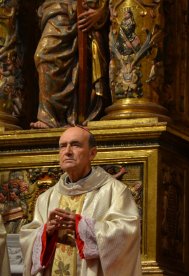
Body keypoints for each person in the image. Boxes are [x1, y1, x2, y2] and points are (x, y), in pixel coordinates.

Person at [19, 126, 142, 275]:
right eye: (63, 146)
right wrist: (47, 232)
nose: (67, 151)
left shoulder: (115, 191)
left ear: (92, 153)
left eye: (75, 145)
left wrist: (83, 226)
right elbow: (28, 238)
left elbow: (127, 234)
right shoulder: (46, 198)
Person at [30, 0, 109, 129]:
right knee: (43, 56)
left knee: (85, 63)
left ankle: (78, 115)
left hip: (88, 9)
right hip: (57, 9)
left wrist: (102, 11)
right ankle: (50, 115)